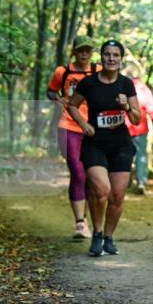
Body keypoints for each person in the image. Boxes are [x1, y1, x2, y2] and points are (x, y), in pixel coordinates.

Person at [66, 40, 141, 258]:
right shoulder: (89, 83)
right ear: (101, 57)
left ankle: (108, 237)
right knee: (101, 189)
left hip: (121, 145)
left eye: (115, 55)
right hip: (95, 144)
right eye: (107, 54)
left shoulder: (126, 84)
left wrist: (126, 107)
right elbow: (72, 105)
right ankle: (97, 233)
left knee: (117, 196)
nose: (111, 59)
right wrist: (83, 124)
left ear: (120, 59)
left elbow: (137, 119)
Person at [46, 36, 99, 239]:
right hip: (68, 126)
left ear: (92, 52)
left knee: (90, 175)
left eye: (87, 50)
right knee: (78, 172)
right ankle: (79, 223)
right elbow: (51, 91)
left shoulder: (98, 71)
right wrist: (57, 98)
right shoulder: (63, 71)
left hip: (93, 128)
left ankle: (85, 218)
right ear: (74, 52)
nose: (84, 54)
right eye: (80, 50)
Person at [125, 64, 153, 194]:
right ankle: (141, 182)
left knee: (125, 155)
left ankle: (125, 181)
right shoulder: (144, 89)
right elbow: (152, 109)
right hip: (140, 127)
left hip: (124, 127)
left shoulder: (122, 87)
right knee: (141, 156)